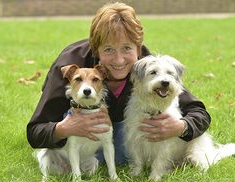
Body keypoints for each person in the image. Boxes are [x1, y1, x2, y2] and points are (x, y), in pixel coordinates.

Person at [27, 2, 211, 165]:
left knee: (122, 151)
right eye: (108, 49)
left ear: (138, 49)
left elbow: (199, 113)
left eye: (126, 48)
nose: (119, 60)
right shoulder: (71, 65)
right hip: (79, 135)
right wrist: (63, 129)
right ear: (96, 49)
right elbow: (35, 131)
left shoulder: (148, 67)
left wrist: (180, 127)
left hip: (120, 130)